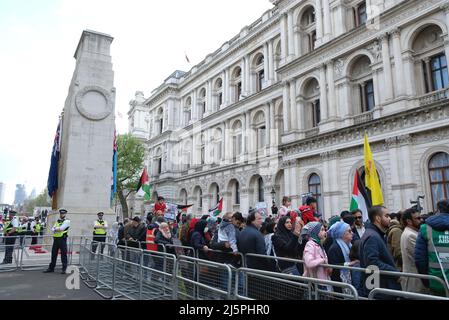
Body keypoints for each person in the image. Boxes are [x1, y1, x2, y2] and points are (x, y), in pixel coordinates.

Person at [359, 206, 401, 297]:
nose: (390, 219)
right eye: (387, 216)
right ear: (378, 218)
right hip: (379, 288)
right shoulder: (372, 237)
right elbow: (372, 263)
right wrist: (395, 273)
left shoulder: (375, 234)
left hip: (381, 286)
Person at [415, 199, 449, 296]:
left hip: (436, 282)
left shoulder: (425, 228)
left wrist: (427, 281)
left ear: (438, 210)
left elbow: (420, 260)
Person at [400, 207, 427, 293]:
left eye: (421, 217)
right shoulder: (411, 235)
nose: (421, 220)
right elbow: (421, 257)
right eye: (418, 218)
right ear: (409, 221)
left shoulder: (412, 233)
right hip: (415, 281)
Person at [327, 222, 358, 292]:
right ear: (341, 234)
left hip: (349, 281)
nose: (352, 233)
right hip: (339, 284)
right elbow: (333, 266)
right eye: (349, 231)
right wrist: (349, 264)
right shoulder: (334, 248)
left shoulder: (350, 245)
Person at [303, 221, 332, 289]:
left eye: (324, 229)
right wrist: (323, 260)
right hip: (316, 282)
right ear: (315, 232)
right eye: (322, 230)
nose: (325, 232)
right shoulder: (310, 244)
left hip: (323, 281)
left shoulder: (318, 243)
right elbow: (309, 262)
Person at [44, 208, 71, 274]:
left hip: (62, 239)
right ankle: (51, 268)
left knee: (63, 254)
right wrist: (56, 229)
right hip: (56, 239)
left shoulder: (67, 221)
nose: (62, 214)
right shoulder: (57, 221)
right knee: (53, 254)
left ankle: (64, 269)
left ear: (65, 214)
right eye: (61, 213)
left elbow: (61, 229)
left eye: (63, 213)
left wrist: (56, 229)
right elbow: (52, 229)